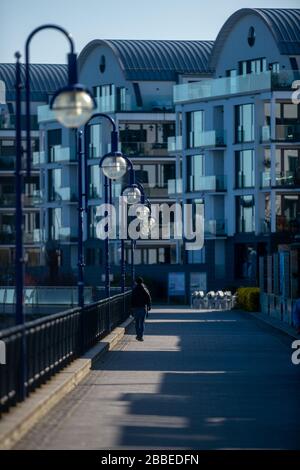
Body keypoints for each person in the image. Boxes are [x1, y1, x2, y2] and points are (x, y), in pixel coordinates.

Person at [131, 277, 151, 341]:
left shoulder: (134, 290)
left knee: (137, 322)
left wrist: (131, 308)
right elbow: (148, 298)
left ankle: (138, 335)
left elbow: (132, 299)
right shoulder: (145, 289)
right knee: (142, 323)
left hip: (136, 308)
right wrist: (149, 306)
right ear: (142, 282)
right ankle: (141, 336)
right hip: (143, 307)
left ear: (136, 282)